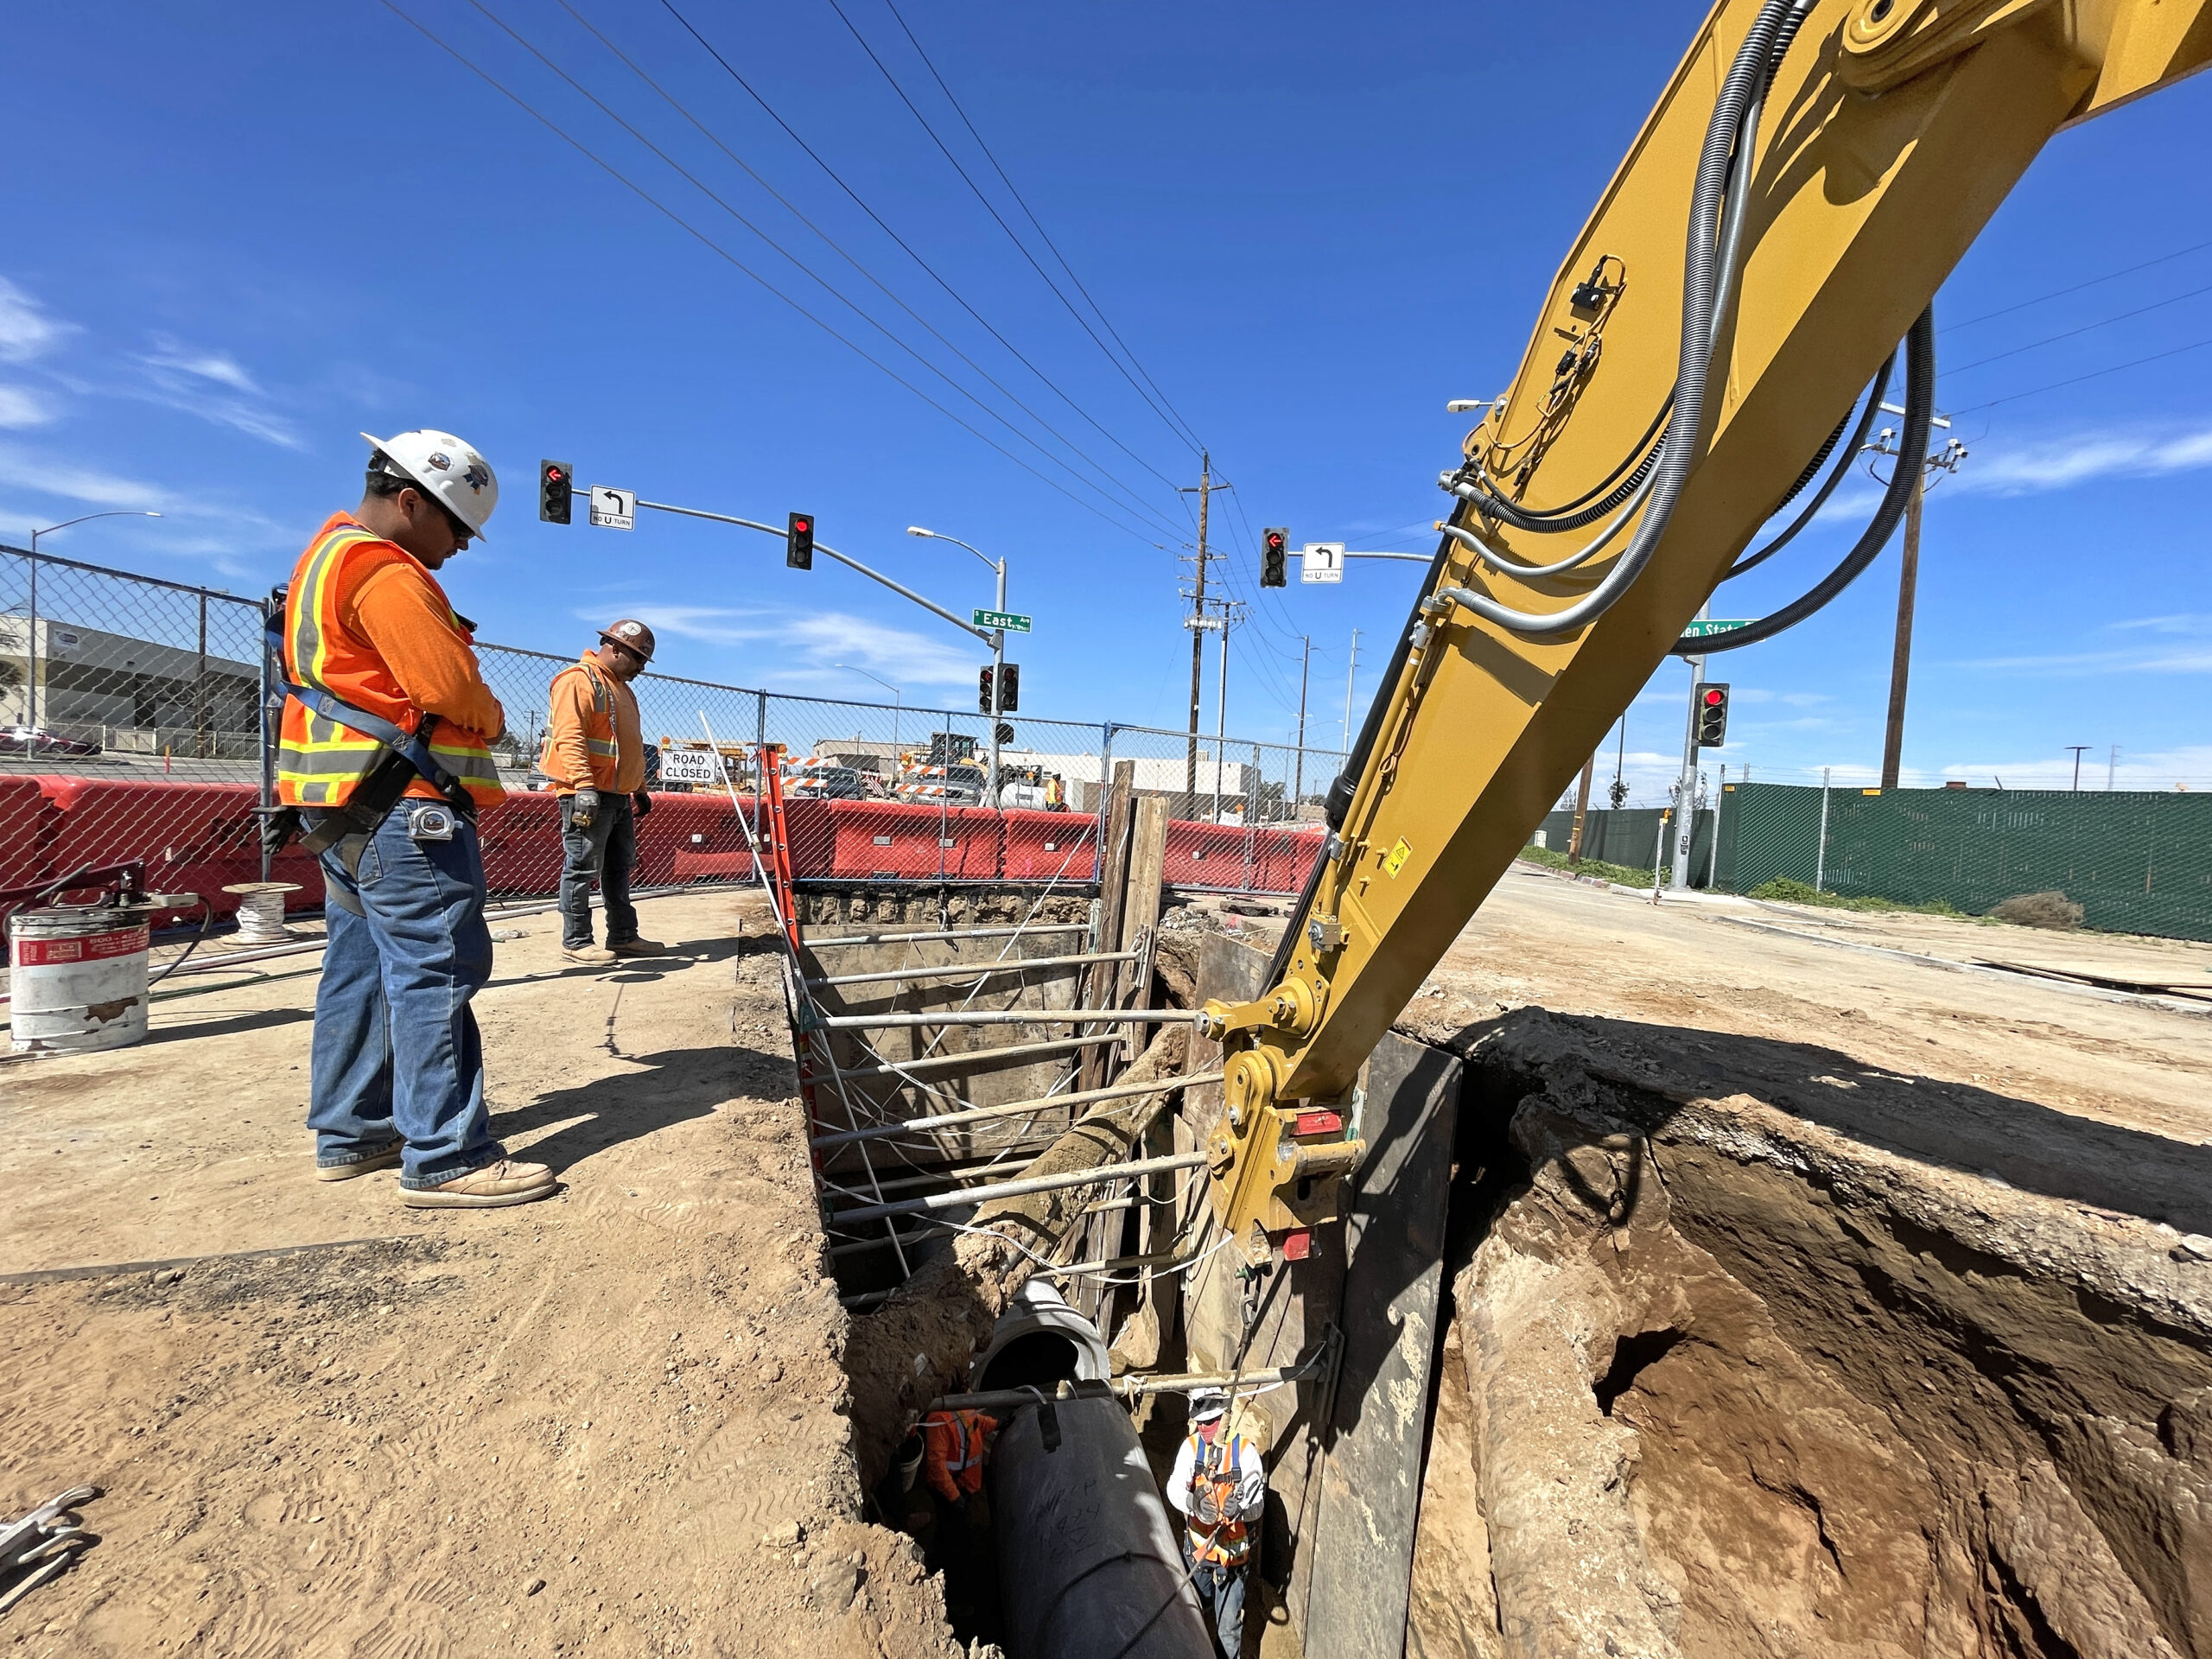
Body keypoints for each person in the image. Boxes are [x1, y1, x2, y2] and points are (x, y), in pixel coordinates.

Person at [275, 430, 555, 1210]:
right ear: (409, 502)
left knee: (360, 969)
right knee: (436, 970)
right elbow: (447, 687)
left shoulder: (324, 560)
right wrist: (493, 718)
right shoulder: (385, 570)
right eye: (458, 528)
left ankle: (354, 1130)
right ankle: (446, 1153)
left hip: (343, 810)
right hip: (404, 811)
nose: (462, 546)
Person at [541, 619, 664, 964]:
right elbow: (570, 737)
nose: (641, 667)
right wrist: (583, 787)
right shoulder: (579, 681)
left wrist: (638, 787)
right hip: (587, 793)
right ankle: (576, 940)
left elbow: (630, 745)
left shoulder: (622, 689)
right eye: (638, 658)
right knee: (582, 866)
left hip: (616, 794)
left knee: (618, 868)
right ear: (615, 648)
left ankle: (623, 936)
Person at [1166, 1389, 1267, 1658]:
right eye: (1199, 1422)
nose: (1203, 1428)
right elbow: (1174, 1487)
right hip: (1198, 1552)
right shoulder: (1191, 1447)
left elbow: (1258, 1505)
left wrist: (1242, 1511)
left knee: (1227, 1631)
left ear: (1224, 1418)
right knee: (1196, 1609)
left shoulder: (1245, 1454)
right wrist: (1192, 1503)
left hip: (1232, 1561)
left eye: (1209, 1422)